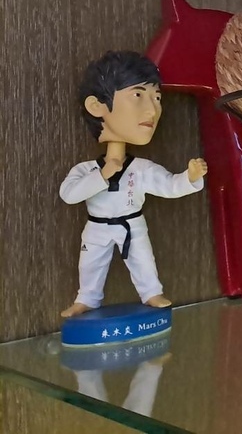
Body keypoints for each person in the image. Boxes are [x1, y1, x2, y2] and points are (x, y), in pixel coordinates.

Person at [60, 51, 207, 319]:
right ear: (96, 106)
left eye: (157, 98)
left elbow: (169, 185)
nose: (152, 110)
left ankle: (151, 292)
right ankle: (86, 299)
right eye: (138, 95)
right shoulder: (86, 170)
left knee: (143, 260)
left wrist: (190, 177)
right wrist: (103, 174)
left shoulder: (141, 169)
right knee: (90, 264)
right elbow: (69, 195)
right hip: (97, 226)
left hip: (132, 224)